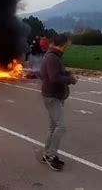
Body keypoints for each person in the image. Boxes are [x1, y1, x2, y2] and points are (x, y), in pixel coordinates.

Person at [39, 34, 77, 171]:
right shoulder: (52, 57)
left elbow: (55, 73)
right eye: (67, 44)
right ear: (62, 44)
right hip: (52, 96)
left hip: (53, 95)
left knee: (53, 127)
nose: (68, 46)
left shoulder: (53, 56)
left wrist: (66, 72)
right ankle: (51, 155)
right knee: (61, 127)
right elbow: (54, 77)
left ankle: (46, 154)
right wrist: (70, 80)